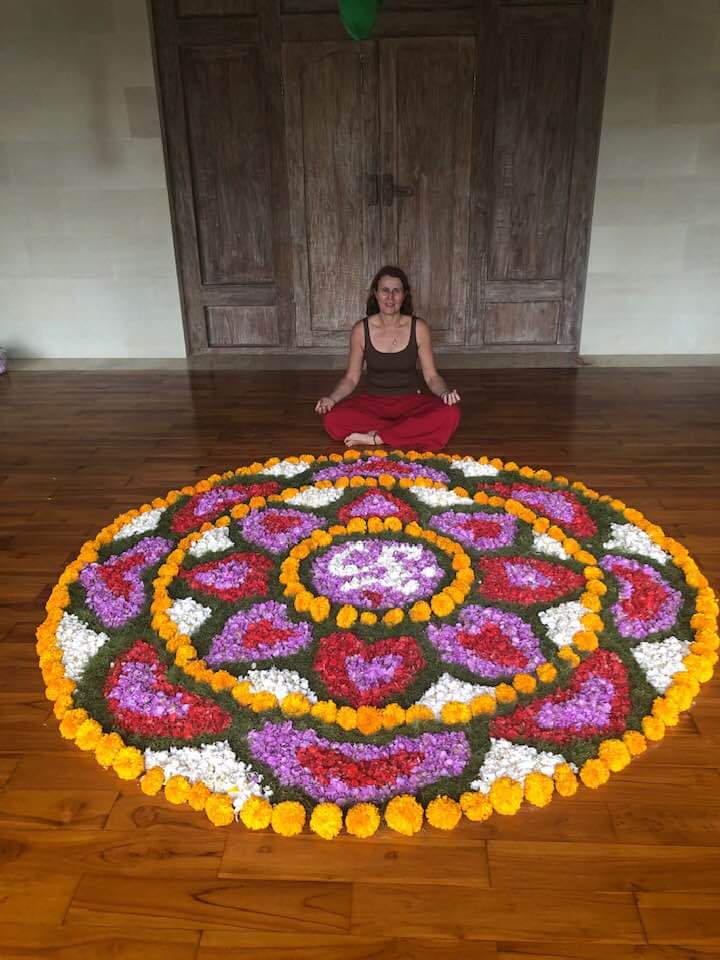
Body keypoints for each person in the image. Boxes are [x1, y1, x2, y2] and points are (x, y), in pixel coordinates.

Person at [315, 266, 461, 452]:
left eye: (396, 291)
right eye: (385, 290)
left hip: (411, 402)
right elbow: (351, 378)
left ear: (404, 295)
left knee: (451, 413)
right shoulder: (361, 330)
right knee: (332, 419)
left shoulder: (419, 328)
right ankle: (405, 431)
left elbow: (432, 377)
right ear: (375, 294)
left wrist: (444, 393)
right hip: (372, 404)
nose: (390, 297)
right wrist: (331, 399)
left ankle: (377, 438)